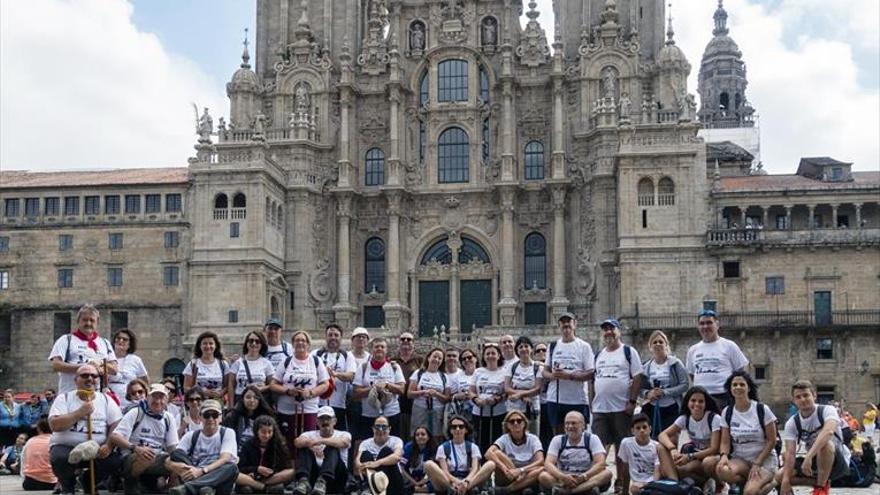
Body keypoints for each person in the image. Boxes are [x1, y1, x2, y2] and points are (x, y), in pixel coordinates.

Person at [48, 364, 123, 495]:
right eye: (84, 375)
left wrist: (108, 445)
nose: (90, 378)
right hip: (67, 446)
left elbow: (116, 424)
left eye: (94, 376)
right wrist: (79, 413)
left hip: (97, 446)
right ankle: (68, 486)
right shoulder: (64, 398)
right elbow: (55, 425)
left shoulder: (106, 399)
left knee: (114, 460)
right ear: (75, 380)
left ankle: (89, 483)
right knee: (59, 458)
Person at [591, 318, 643, 492]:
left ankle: (621, 482)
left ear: (619, 331)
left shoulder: (628, 352)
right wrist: (592, 401)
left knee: (622, 448)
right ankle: (599, 481)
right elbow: (594, 379)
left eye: (611, 329)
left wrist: (632, 402)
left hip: (621, 408)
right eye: (605, 329)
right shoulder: (598, 354)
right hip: (600, 408)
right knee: (598, 448)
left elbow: (637, 377)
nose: (608, 332)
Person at [776, 380, 852, 495]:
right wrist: (785, 481)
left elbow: (828, 432)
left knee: (825, 444)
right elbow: (791, 453)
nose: (802, 399)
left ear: (814, 396)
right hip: (814, 462)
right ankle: (824, 483)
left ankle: (820, 489)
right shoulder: (792, 423)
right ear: (794, 401)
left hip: (836, 460)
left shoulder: (827, 410)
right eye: (798, 397)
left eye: (806, 395)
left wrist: (809, 457)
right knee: (780, 476)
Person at [110, 383, 180, 495]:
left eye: (161, 397)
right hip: (132, 456)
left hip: (157, 457)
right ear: (147, 398)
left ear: (167, 400)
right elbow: (114, 436)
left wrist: (175, 468)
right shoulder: (136, 412)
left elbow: (173, 447)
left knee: (179, 461)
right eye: (154, 397)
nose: (158, 401)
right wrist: (135, 448)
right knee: (147, 457)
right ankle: (130, 482)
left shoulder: (168, 418)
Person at [716, 371, 777, 495]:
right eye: (734, 385)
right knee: (721, 469)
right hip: (741, 459)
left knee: (750, 492)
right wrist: (723, 456)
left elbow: (772, 440)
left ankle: (775, 481)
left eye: (742, 384)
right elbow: (725, 441)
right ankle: (746, 484)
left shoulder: (761, 409)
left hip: (764, 459)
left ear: (748, 388)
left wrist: (758, 463)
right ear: (730, 389)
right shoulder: (727, 412)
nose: (738, 387)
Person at [269, 331, 330, 451]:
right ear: (292, 344)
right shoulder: (286, 362)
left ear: (308, 344)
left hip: (309, 409)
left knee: (308, 442)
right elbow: (273, 384)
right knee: (288, 442)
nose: (300, 343)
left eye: (303, 340)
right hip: (287, 410)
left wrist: (310, 392)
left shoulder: (316, 361)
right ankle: (289, 467)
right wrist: (288, 391)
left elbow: (325, 384)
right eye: (297, 340)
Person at [657, 386, 722, 489]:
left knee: (698, 465)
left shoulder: (714, 418)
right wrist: (672, 449)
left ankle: (719, 484)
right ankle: (675, 484)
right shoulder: (685, 418)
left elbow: (714, 449)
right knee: (661, 447)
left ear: (706, 404)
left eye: (701, 401)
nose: (696, 404)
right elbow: (662, 435)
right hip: (694, 456)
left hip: (711, 457)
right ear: (687, 402)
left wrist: (689, 457)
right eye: (693, 400)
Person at [543, 312, 594, 437]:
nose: (566, 325)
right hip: (556, 399)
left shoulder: (584, 346)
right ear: (559, 326)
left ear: (575, 324)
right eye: (563, 323)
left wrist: (569, 376)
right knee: (558, 437)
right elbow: (545, 371)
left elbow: (591, 373)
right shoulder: (553, 346)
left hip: (578, 400)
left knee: (579, 436)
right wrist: (553, 376)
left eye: (569, 322)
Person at [48, 304, 118, 394]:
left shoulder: (105, 343)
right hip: (71, 394)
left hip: (98, 396)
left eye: (92, 320)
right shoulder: (66, 340)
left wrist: (100, 364)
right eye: (85, 320)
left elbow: (115, 369)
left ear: (97, 323)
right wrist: (86, 367)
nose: (88, 323)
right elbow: (56, 365)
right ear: (78, 321)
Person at [686, 310, 749, 410]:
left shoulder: (729, 346)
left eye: (709, 323)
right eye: (702, 323)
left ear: (717, 325)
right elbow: (692, 375)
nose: (705, 326)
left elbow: (740, 371)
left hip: (724, 396)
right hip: (701, 398)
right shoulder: (692, 350)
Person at [539, 411, 612, 495]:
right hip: (563, 479)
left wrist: (584, 476)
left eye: (574, 423)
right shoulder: (557, 440)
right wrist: (562, 477)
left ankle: (568, 492)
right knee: (543, 476)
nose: (570, 426)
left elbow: (601, 463)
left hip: (586, 478)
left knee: (607, 474)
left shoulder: (592, 439)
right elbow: (548, 463)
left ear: (583, 426)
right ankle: (584, 490)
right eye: (567, 423)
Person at [423, 416, 495, 495]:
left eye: (461, 427)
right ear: (450, 430)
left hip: (469, 480)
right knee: (428, 464)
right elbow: (445, 471)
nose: (457, 429)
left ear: (466, 430)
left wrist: (466, 481)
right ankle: (453, 490)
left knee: (491, 464)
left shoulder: (473, 447)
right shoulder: (443, 447)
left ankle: (464, 489)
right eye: (454, 427)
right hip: (449, 480)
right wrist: (456, 481)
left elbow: (475, 468)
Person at [352, 338, 406, 441]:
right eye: (376, 347)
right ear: (371, 350)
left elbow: (402, 390)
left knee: (392, 446)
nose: (379, 349)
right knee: (368, 447)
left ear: (386, 350)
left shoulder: (394, 367)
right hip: (369, 415)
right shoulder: (363, 367)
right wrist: (374, 388)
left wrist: (387, 385)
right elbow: (355, 393)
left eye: (382, 347)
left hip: (391, 414)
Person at [290, 406, 351, 495]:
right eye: (322, 419)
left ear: (334, 421)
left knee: (332, 447)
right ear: (317, 422)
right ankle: (303, 481)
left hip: (337, 476)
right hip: (314, 476)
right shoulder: (309, 434)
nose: (325, 422)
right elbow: (297, 442)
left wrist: (319, 441)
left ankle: (323, 481)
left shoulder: (344, 434)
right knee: (304, 447)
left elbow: (344, 443)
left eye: (328, 419)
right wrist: (310, 446)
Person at [640, 330, 689, 438]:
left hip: (671, 408)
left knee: (670, 440)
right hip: (651, 409)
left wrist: (665, 392)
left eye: (661, 342)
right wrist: (648, 393)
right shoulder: (645, 367)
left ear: (666, 345)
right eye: (655, 342)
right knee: (653, 441)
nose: (658, 344)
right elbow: (640, 388)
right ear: (650, 347)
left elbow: (685, 384)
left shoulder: (675, 364)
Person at [485, 410, 543, 494]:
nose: (516, 423)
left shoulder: (533, 439)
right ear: (507, 425)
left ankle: (509, 490)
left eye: (519, 421)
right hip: (509, 474)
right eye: (512, 422)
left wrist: (521, 470)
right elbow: (488, 453)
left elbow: (540, 461)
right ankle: (519, 487)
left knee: (542, 468)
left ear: (524, 423)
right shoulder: (504, 438)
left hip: (526, 474)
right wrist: (505, 469)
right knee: (496, 453)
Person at [314, 324, 357, 431]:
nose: (333, 337)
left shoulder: (347, 355)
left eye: (336, 335)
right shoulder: (315, 354)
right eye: (330, 335)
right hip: (318, 403)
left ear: (341, 338)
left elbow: (351, 375)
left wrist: (335, 374)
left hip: (339, 404)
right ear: (325, 337)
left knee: (338, 435)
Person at [237, 415, 294, 494]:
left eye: (269, 432)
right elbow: (240, 468)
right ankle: (261, 487)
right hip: (250, 478)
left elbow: (286, 466)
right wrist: (256, 469)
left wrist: (271, 472)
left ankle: (262, 485)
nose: (266, 435)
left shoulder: (278, 445)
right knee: (242, 484)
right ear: (257, 431)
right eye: (263, 432)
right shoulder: (248, 445)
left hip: (271, 478)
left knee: (291, 472)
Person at [470, 343, 507, 455]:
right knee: (481, 441)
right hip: (479, 412)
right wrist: (476, 400)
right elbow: (470, 391)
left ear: (499, 355)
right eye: (487, 353)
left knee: (497, 441)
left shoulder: (504, 372)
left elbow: (507, 392)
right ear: (484, 356)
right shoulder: (478, 372)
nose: (490, 356)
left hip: (499, 412)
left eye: (493, 353)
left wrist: (497, 399)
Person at [353, 416, 405, 495]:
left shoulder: (396, 440)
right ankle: (370, 487)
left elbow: (397, 457)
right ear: (373, 428)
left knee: (386, 451)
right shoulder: (365, 443)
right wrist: (361, 466)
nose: (380, 430)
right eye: (377, 427)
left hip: (392, 480)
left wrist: (377, 463)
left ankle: (377, 486)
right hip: (371, 479)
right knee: (366, 454)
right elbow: (357, 460)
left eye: (384, 427)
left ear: (389, 429)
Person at [409, 348, 450, 441]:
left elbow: (447, 398)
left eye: (440, 358)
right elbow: (409, 393)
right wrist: (423, 392)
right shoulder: (419, 373)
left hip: (437, 411)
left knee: (436, 436)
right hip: (419, 410)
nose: (436, 360)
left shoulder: (444, 377)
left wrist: (436, 394)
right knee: (418, 435)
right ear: (428, 358)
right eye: (434, 356)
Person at [504, 336, 543, 435]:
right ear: (517, 350)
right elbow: (507, 388)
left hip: (532, 408)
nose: (524, 349)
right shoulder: (512, 367)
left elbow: (538, 389)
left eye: (526, 346)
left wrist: (519, 395)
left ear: (531, 349)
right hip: (514, 409)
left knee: (533, 436)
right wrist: (523, 396)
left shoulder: (537, 367)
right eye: (521, 347)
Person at [227, 331, 275, 406]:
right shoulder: (237, 363)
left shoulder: (266, 363)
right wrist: (231, 406)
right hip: (240, 401)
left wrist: (263, 388)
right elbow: (231, 386)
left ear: (262, 344)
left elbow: (273, 384)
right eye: (251, 341)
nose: (254, 343)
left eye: (257, 341)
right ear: (246, 343)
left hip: (258, 401)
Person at [617, 414, 661, 495]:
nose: (642, 430)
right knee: (635, 489)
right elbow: (625, 469)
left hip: (653, 481)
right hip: (636, 484)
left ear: (650, 429)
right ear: (632, 431)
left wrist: (650, 485)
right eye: (638, 428)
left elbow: (657, 471)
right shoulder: (626, 443)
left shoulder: (657, 446)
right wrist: (624, 492)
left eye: (644, 427)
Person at [222, 386, 275, 451]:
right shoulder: (233, 416)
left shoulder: (266, 417)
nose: (252, 400)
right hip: (239, 452)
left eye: (255, 398)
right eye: (248, 397)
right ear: (242, 399)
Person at [108, 329, 149, 409]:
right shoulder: (107, 358)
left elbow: (145, 381)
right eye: (118, 338)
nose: (121, 340)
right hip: (110, 403)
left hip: (131, 404)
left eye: (125, 339)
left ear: (130, 344)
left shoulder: (136, 360)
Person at [394, 332, 423, 442]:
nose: (406, 341)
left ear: (414, 344)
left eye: (409, 339)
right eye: (403, 339)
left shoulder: (419, 360)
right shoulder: (393, 360)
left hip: (414, 402)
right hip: (397, 402)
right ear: (399, 343)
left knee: (413, 432)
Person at [183, 332, 229, 401]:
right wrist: (202, 392)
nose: (208, 346)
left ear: (216, 346)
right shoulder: (193, 364)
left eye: (211, 343)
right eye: (204, 343)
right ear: (200, 346)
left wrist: (221, 393)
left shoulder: (223, 364)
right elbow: (186, 388)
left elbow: (228, 385)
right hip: (199, 403)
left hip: (218, 403)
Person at [348, 327, 371, 441]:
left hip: (366, 399)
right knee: (352, 431)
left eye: (364, 337)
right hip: (349, 400)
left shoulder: (370, 358)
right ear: (352, 340)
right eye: (358, 337)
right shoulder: (347, 356)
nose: (361, 339)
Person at [20, 418, 57, 490]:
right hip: (51, 483)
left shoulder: (30, 441)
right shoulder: (55, 441)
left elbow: (23, 462)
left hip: (30, 483)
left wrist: (24, 477)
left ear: (38, 429)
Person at [400, 426, 437, 493]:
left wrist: (422, 481)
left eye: (423, 434)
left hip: (427, 479)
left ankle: (416, 489)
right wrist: (414, 482)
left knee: (436, 485)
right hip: (411, 479)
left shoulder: (433, 448)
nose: (420, 436)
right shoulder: (408, 447)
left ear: (428, 437)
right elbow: (402, 468)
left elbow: (435, 470)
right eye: (417, 435)